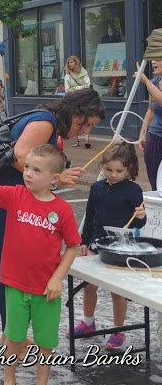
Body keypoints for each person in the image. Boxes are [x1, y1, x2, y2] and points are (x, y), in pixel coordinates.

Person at [0, 89, 105, 343]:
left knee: (11, 264)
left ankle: (12, 335)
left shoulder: (48, 120)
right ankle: (13, 337)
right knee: (7, 266)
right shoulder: (46, 121)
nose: (85, 131)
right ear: (77, 112)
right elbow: (19, 156)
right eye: (87, 123)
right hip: (2, 200)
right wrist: (57, 178)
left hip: (10, 199)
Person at [0, 143, 80, 385]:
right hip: (14, 286)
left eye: (37, 170)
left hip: (46, 290)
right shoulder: (16, 195)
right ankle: (9, 379)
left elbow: (73, 245)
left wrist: (57, 278)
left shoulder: (62, 209)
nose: (28, 174)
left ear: (54, 178)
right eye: (27, 167)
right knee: (13, 338)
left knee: (45, 343)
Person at [71, 141, 146, 350]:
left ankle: (118, 330)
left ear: (129, 169)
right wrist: (84, 241)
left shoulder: (133, 190)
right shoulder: (96, 188)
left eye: (118, 171)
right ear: (102, 166)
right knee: (89, 286)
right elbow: (90, 216)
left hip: (121, 247)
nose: (113, 175)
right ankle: (88, 321)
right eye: (108, 169)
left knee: (117, 292)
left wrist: (141, 216)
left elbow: (139, 224)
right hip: (96, 243)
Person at [135, 57, 162, 191]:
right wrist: (142, 133)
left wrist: (145, 81)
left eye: (158, 59)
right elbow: (150, 111)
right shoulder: (154, 83)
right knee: (155, 182)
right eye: (152, 59)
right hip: (155, 137)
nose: (153, 62)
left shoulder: (149, 83)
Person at [64, 55, 91, 148]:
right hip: (74, 100)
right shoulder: (68, 75)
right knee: (75, 119)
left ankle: (87, 140)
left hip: (84, 99)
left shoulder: (84, 73)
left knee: (85, 118)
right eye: (68, 62)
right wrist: (80, 87)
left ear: (76, 63)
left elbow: (87, 85)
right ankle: (76, 140)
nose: (70, 64)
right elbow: (67, 89)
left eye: (71, 62)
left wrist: (74, 88)